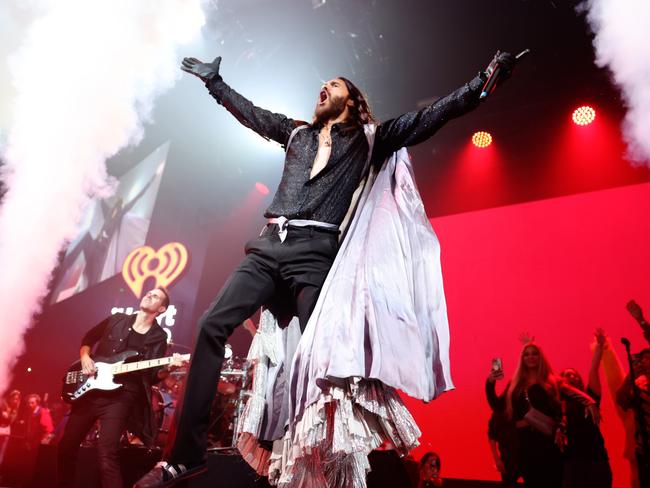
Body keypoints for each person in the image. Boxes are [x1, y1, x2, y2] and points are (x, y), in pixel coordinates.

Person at [136, 51, 517, 488]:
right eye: (324, 84)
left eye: (334, 85)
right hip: (268, 247)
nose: (324, 87)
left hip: (315, 254)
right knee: (209, 325)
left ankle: (313, 468)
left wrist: (483, 81)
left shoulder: (372, 138)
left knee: (323, 360)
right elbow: (253, 115)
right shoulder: (296, 133)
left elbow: (432, 116)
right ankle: (186, 457)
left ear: (353, 100)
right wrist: (215, 84)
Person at [56, 287, 180, 488]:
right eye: (149, 292)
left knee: (107, 454)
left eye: (155, 296)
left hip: (121, 396)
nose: (149, 295)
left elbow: (152, 376)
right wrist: (85, 357)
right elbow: (88, 339)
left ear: (162, 308)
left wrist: (169, 368)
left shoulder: (158, 336)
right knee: (66, 447)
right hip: (90, 391)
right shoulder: (117, 319)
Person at [488, 342, 598, 488]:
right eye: (526, 354)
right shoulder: (515, 385)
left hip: (547, 442)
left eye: (534, 353)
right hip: (524, 443)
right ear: (522, 359)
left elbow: (572, 392)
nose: (531, 357)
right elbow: (497, 406)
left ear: (540, 357)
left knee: (551, 481)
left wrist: (589, 402)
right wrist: (490, 382)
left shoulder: (552, 381)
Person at [559, 329, 612, 488]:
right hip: (572, 459)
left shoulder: (590, 397)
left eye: (575, 375)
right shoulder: (558, 401)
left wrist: (599, 346)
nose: (572, 377)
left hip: (596, 457)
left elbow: (594, 369)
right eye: (567, 375)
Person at [617, 300, 650, 488]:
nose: (645, 361)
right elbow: (622, 401)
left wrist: (641, 320)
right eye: (643, 359)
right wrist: (630, 378)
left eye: (649, 357)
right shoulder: (638, 385)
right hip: (644, 447)